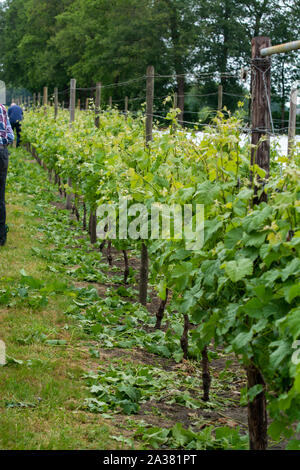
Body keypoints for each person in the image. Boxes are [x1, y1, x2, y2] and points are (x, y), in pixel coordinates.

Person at [0, 104, 14, 246]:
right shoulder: (2, 108)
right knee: (0, 195)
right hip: (2, 153)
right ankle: (1, 236)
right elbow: (10, 136)